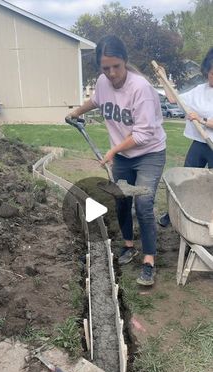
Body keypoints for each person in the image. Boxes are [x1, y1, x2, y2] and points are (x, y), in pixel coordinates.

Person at [67, 35, 166, 286]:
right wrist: (77, 112)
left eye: (116, 67)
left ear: (125, 61)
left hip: (149, 154)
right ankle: (129, 246)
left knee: (143, 203)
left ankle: (149, 260)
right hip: (123, 155)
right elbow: (97, 100)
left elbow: (143, 134)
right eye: (105, 68)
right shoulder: (102, 82)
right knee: (121, 201)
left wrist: (112, 152)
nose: (111, 73)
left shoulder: (140, 89)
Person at [158, 47, 213, 227]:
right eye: (211, 73)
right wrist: (163, 78)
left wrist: (202, 120)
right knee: (185, 180)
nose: (211, 77)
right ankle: (174, 214)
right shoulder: (200, 89)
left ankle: (206, 218)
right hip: (199, 144)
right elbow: (175, 100)